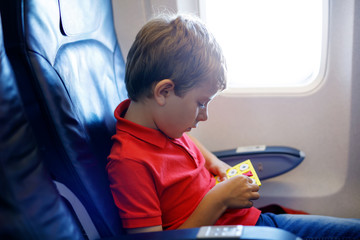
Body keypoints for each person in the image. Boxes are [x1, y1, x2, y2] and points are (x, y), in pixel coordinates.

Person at [106, 13, 360, 239]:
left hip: (251, 221)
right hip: (237, 231)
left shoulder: (165, 125)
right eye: (201, 103)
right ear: (164, 91)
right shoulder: (130, 163)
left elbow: (188, 142)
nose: (204, 116)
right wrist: (219, 198)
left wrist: (217, 164)